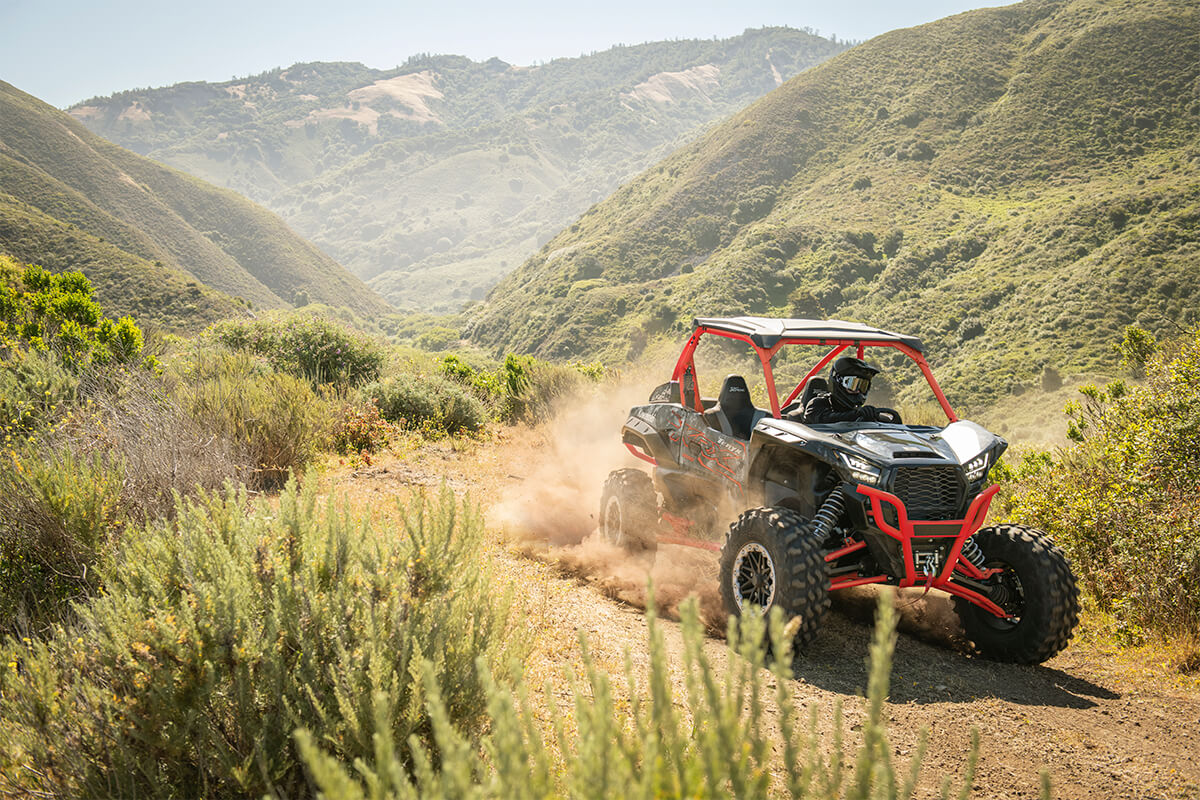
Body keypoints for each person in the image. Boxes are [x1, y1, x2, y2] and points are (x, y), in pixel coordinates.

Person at [803, 356, 902, 424]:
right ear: (839, 383)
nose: (858, 391)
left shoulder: (860, 412)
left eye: (863, 386)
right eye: (852, 384)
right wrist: (856, 415)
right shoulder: (817, 404)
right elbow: (824, 419)